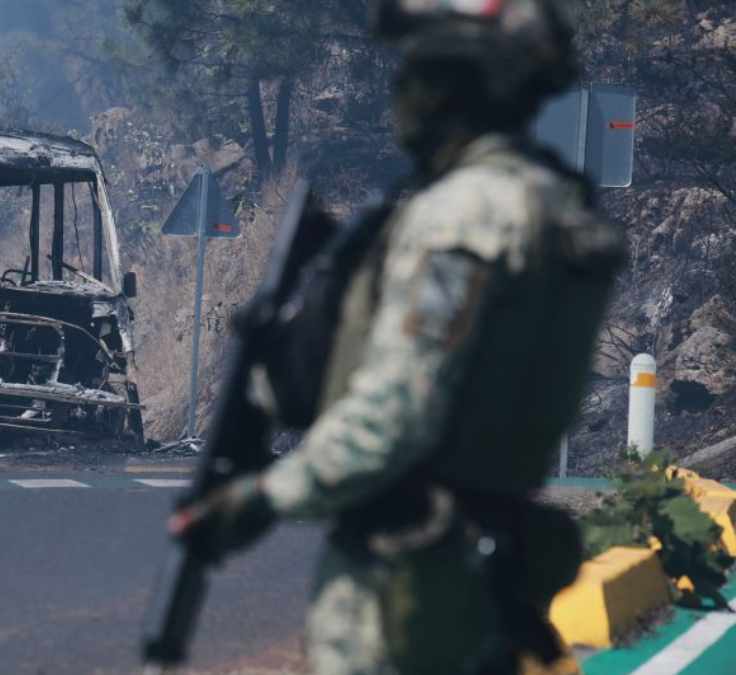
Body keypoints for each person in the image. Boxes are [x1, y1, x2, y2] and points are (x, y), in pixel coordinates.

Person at [171, 1, 626, 673]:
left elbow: (399, 411)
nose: (405, 87)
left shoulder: (463, 217)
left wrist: (261, 497)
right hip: (491, 569)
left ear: (459, 82)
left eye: (423, 66)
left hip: (407, 586)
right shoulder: (556, 203)